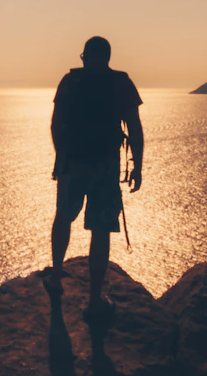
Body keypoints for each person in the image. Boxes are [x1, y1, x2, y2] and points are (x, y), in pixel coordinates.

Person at [46, 35, 143, 323]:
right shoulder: (121, 83)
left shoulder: (70, 82)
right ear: (108, 57)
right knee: (100, 229)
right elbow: (135, 127)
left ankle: (55, 279)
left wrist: (61, 156)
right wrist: (137, 166)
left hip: (72, 161)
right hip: (106, 164)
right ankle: (94, 302)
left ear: (85, 57)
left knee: (63, 217)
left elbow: (55, 124)